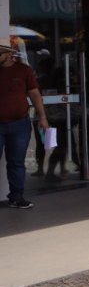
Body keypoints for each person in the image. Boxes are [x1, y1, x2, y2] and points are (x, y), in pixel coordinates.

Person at [0, 42, 50, 209]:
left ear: (9, 54)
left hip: (19, 124)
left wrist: (42, 117)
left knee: (16, 162)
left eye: (0, 53)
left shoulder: (23, 70)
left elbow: (35, 93)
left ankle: (16, 197)